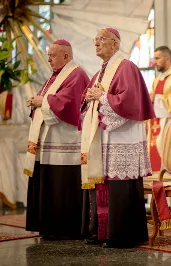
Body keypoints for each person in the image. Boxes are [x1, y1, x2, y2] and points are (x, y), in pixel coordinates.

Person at [80, 28, 155, 248]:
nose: (96, 43)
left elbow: (129, 102)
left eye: (101, 40)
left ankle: (121, 234)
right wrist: (90, 100)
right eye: (95, 40)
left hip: (122, 137)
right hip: (104, 138)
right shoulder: (100, 72)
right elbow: (88, 102)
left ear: (115, 44)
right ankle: (102, 232)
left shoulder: (126, 68)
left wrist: (101, 97)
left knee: (119, 186)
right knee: (103, 184)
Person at [24, 40, 89, 239]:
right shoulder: (56, 76)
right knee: (49, 182)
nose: (49, 59)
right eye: (49, 55)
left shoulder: (76, 74)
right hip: (50, 141)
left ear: (66, 56)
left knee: (62, 185)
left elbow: (68, 103)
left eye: (52, 55)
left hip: (66, 142)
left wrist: (41, 101)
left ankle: (66, 229)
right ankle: (49, 227)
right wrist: (37, 102)